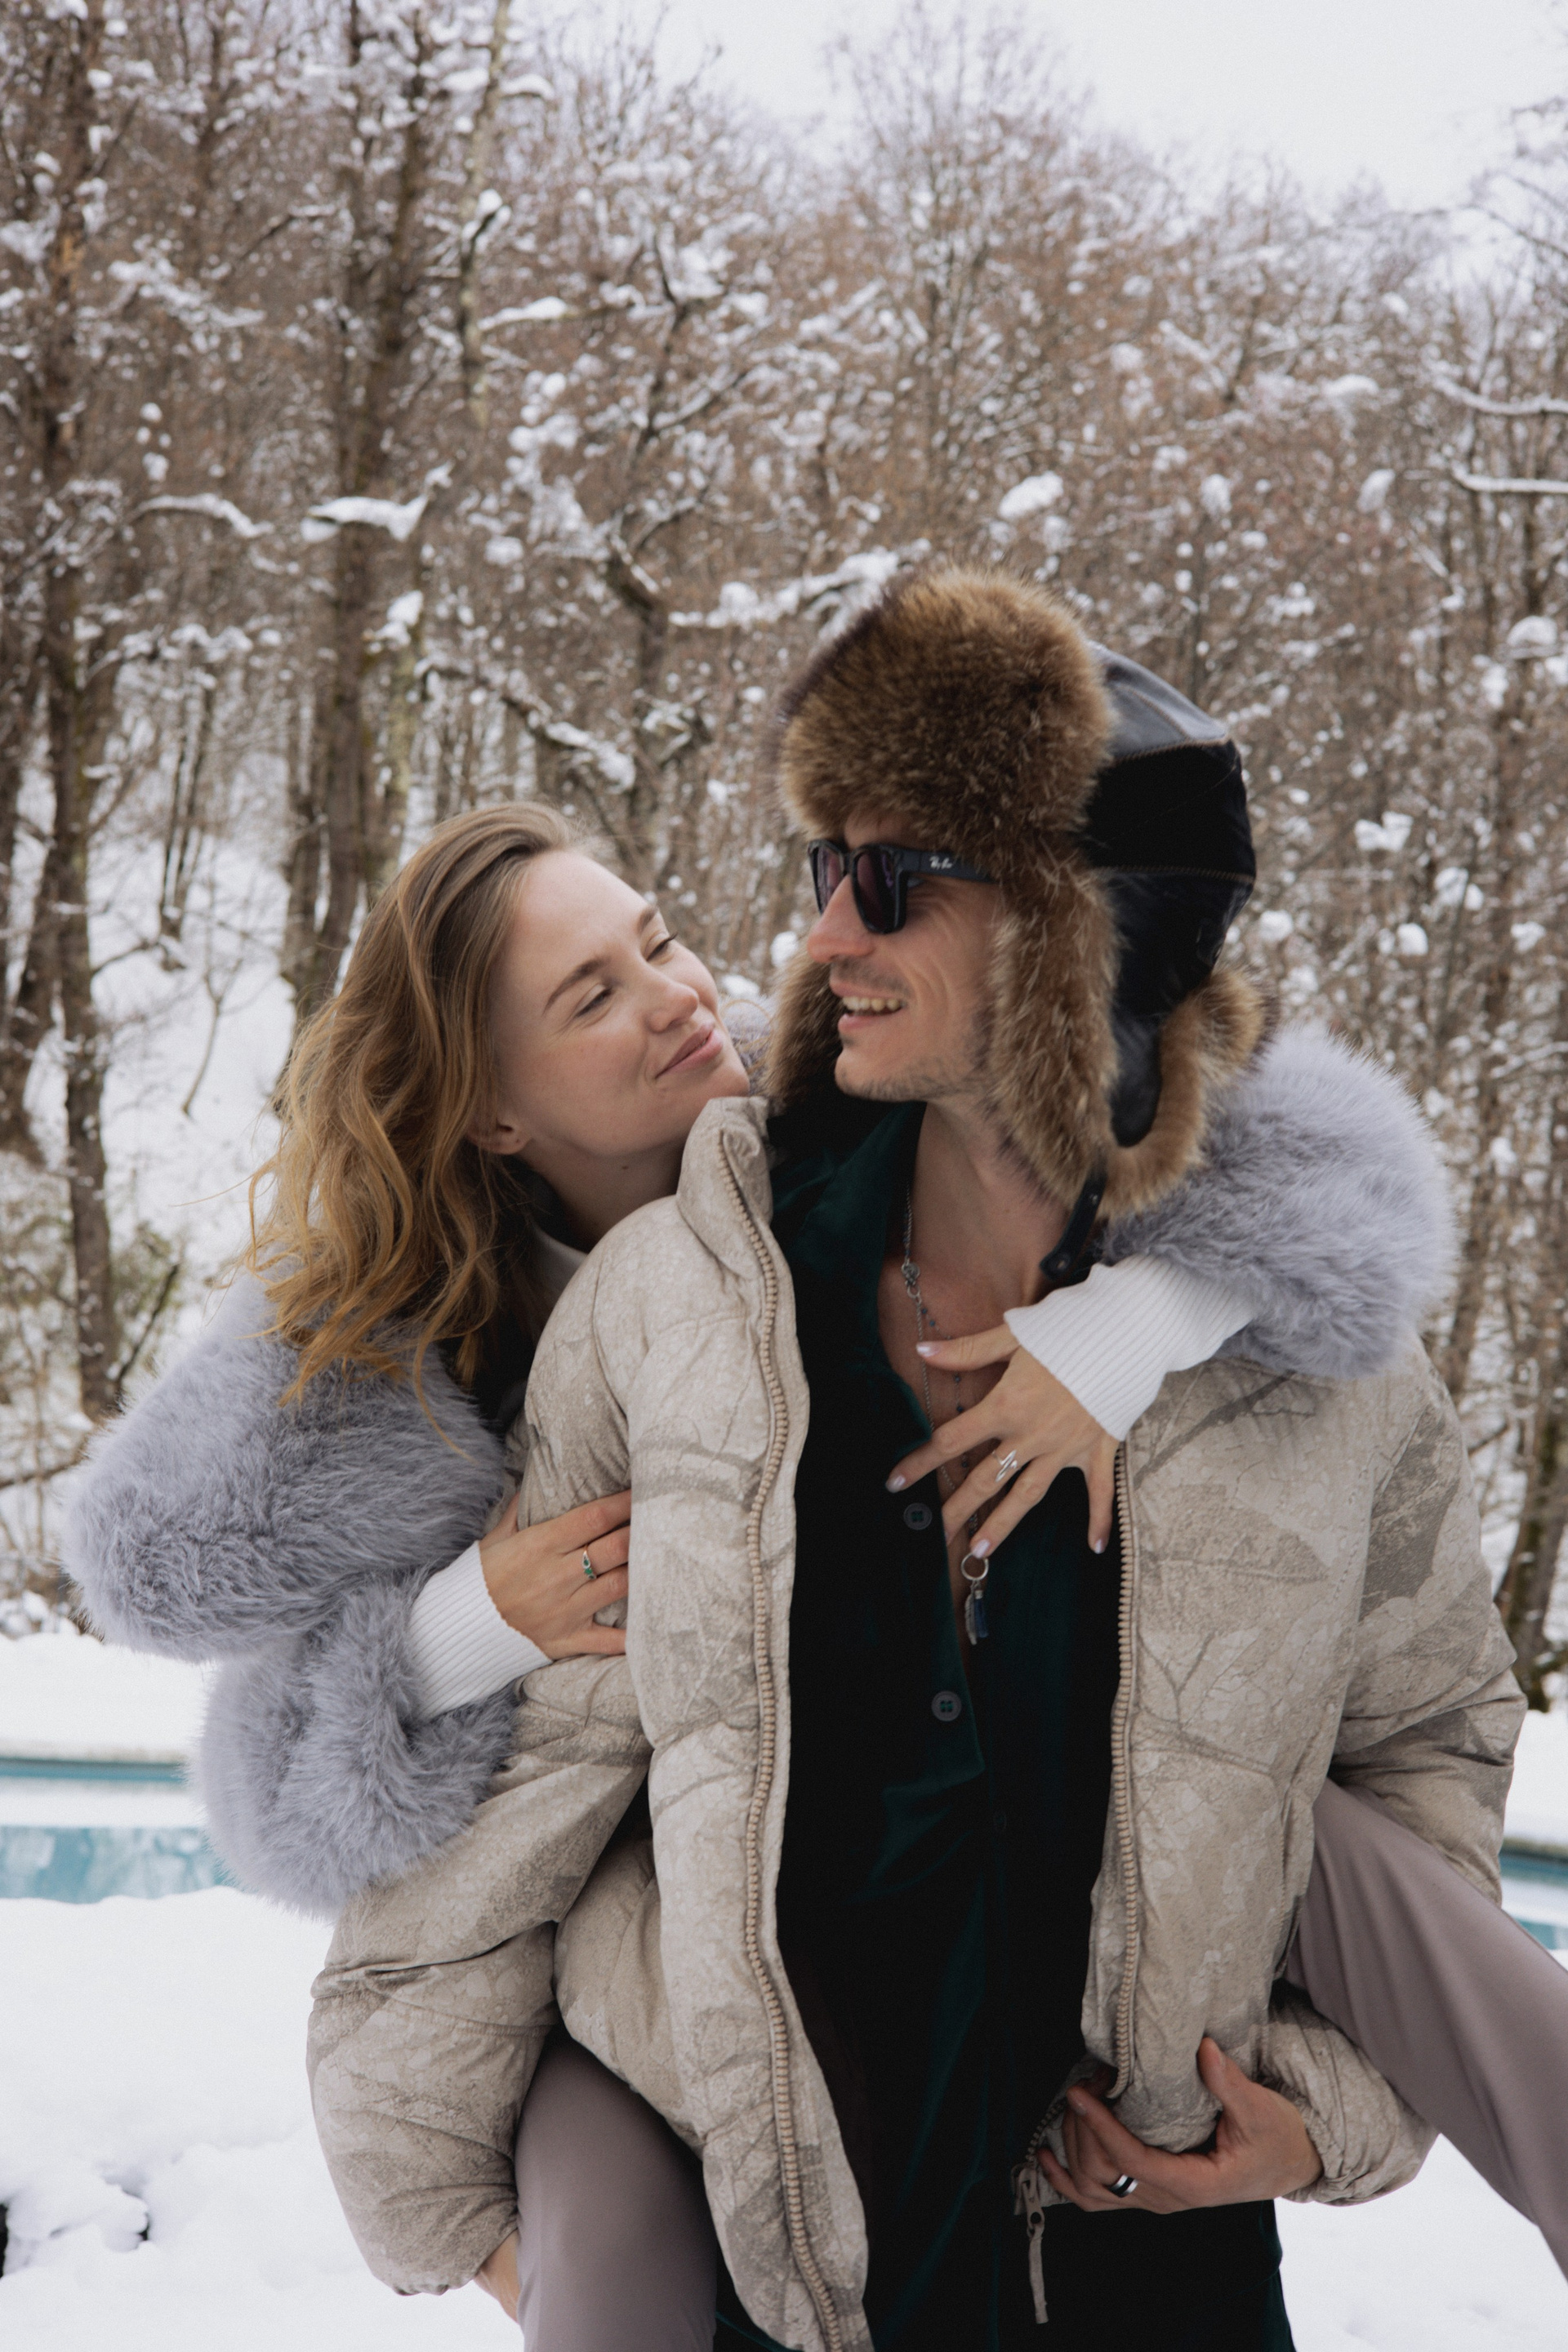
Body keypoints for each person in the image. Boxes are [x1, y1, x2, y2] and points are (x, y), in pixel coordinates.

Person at [268, 577, 1554, 2347]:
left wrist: (1329, 2115)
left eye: (893, 881)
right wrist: (461, 2211)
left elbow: (1427, 1757)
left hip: (1161, 2295)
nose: (820, 940)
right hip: (801, 2283)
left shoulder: (1308, 1369)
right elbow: (523, 1803)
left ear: (1069, 936)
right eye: (826, 869)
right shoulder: (678, 1310)